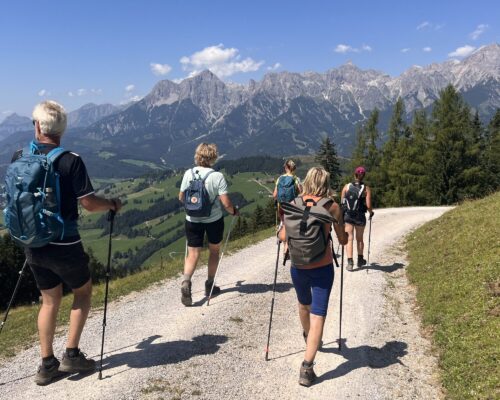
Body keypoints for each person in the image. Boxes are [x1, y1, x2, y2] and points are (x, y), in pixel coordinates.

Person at [13, 101, 122, 385]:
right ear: (62, 129)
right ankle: (71, 354)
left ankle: (47, 364)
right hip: (64, 243)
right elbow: (88, 203)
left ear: (37, 126)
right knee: (83, 291)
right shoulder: (70, 160)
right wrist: (111, 204)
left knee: (49, 299)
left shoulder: (18, 157)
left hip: (32, 242)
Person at [278, 167, 348, 387]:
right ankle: (307, 366)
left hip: (297, 265)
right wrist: (343, 234)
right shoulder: (332, 206)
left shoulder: (293, 204)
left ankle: (310, 339)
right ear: (326, 184)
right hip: (322, 266)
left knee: (303, 305)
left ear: (306, 181)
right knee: (318, 314)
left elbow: (282, 235)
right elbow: (343, 239)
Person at [178, 143, 238, 306]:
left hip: (192, 220)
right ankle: (210, 284)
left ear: (197, 156)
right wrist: (234, 211)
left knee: (193, 254)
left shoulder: (188, 173)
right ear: (213, 157)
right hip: (213, 220)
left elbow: (181, 197)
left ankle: (186, 282)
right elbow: (225, 203)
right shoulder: (217, 176)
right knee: (214, 251)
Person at [340, 166, 374, 271]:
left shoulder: (346, 186)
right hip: (359, 216)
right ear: (363, 176)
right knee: (359, 239)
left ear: (355, 174)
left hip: (348, 215)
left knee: (349, 238)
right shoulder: (366, 188)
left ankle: (350, 263)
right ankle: (360, 260)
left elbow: (342, 202)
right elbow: (368, 205)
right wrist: (371, 212)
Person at [273, 159, 302, 262]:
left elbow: (275, 195)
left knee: (284, 224)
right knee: (292, 226)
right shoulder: (295, 179)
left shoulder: (280, 178)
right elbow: (301, 193)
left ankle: (284, 245)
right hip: (292, 206)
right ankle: (287, 249)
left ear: (286, 167)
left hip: (281, 206)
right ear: (293, 168)